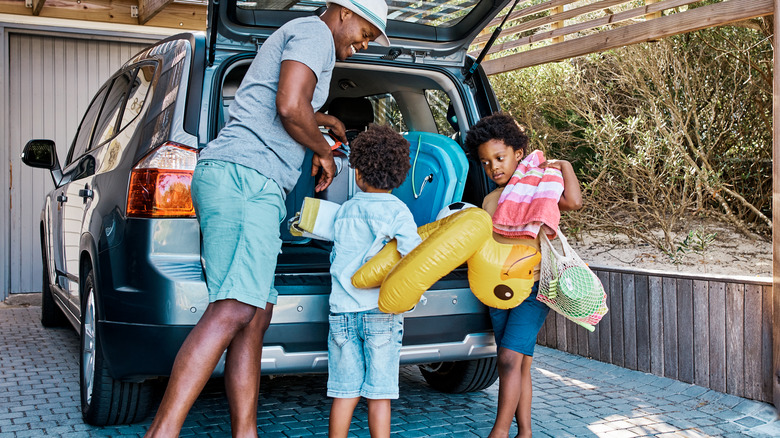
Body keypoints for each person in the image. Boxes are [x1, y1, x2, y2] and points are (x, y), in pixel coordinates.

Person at [144, 1, 390, 436]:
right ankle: (161, 433)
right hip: (246, 179)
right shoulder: (315, 36)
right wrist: (321, 151)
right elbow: (289, 106)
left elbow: (276, 101)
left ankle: (246, 431)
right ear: (343, 11)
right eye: (365, 32)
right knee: (235, 307)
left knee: (255, 313)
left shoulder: (305, 37)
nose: (362, 45)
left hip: (244, 181)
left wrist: (322, 118)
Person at [465, 112, 582, 438]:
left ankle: (499, 432)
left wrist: (565, 167)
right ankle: (525, 432)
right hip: (498, 290)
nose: (493, 168)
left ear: (519, 154)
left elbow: (573, 201)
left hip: (533, 289)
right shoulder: (489, 200)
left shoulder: (538, 188)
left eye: (499, 158)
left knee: (507, 358)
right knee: (517, 364)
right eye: (486, 162)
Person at [327, 124, 421, 438]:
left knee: (344, 392)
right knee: (380, 393)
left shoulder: (344, 211)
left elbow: (335, 257)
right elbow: (413, 260)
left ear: (357, 174)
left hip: (341, 312)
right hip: (380, 312)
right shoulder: (399, 212)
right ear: (400, 176)